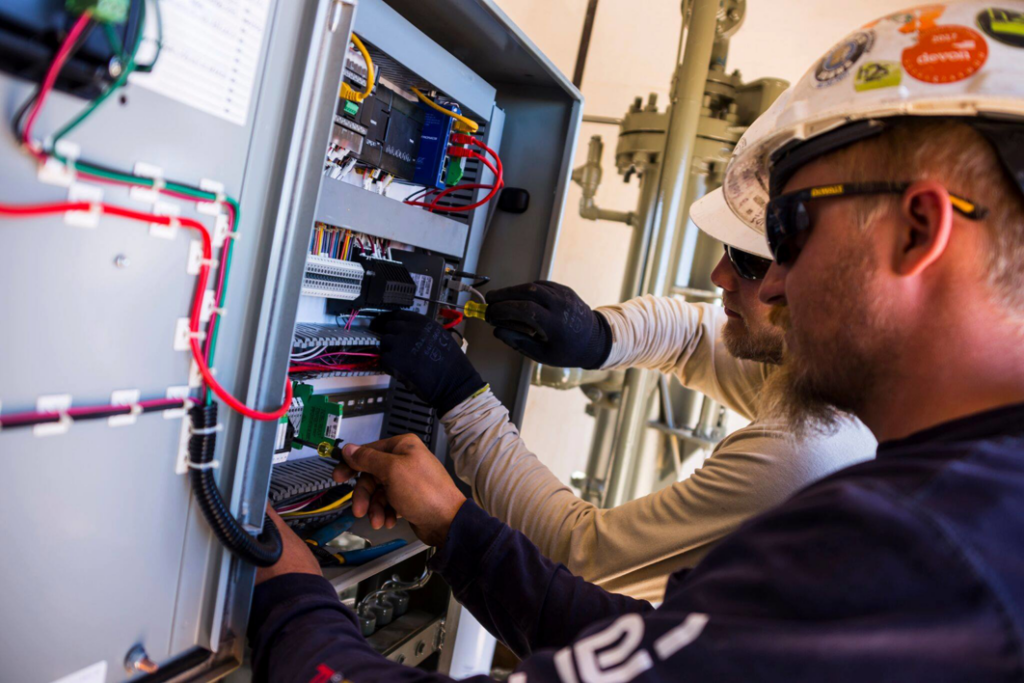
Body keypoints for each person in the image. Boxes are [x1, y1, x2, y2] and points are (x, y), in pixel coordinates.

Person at [249, 3, 1024, 681]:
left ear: (919, 230)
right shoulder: (967, 499)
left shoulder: (907, 552)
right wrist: (595, 343)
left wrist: (292, 604)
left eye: (789, 232)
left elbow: (591, 567)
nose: (773, 286)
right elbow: (648, 645)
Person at [327, 184, 873, 601]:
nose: (718, 274)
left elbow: (583, 556)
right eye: (728, 250)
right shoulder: (831, 367)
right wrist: (600, 336)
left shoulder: (803, 453)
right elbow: (693, 336)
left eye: (749, 262)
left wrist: (462, 402)